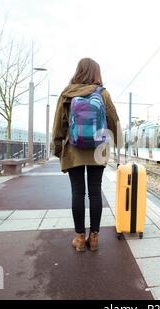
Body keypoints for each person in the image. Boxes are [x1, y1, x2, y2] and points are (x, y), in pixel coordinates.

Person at [52, 57, 121, 252]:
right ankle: (95, 238)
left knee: (78, 193)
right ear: (96, 73)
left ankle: (80, 239)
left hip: (73, 150)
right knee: (95, 192)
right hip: (98, 150)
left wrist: (58, 147)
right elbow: (114, 120)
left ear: (78, 71)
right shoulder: (103, 94)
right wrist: (113, 143)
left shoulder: (67, 93)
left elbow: (58, 124)